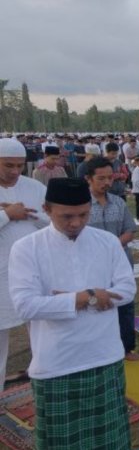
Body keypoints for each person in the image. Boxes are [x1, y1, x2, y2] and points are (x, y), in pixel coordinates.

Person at [9, 177, 137, 450]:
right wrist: (87, 296)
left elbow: (127, 290)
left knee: (110, 443)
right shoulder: (27, 248)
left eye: (83, 214)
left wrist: (66, 299)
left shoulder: (107, 242)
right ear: (46, 209)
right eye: (66, 216)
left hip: (105, 354)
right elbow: (26, 306)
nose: (76, 223)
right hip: (57, 362)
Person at [0, 138, 49, 391]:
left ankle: (45, 387)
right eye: (8, 165)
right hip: (1, 278)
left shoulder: (33, 186)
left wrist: (27, 212)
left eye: (20, 165)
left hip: (33, 273)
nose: (15, 171)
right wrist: (7, 215)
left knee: (44, 337)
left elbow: (52, 221)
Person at [84, 157, 139, 361]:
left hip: (120, 262)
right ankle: (97, 349)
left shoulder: (117, 201)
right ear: (88, 179)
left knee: (125, 303)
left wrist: (113, 246)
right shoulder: (82, 205)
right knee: (96, 305)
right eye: (101, 178)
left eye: (109, 177)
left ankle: (126, 348)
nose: (107, 182)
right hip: (93, 264)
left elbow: (130, 229)